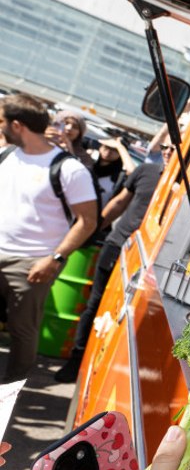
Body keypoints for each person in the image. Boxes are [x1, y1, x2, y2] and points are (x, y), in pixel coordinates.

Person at [0, 94, 98, 382]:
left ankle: (9, 392)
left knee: (22, 331)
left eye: (2, 121)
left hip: (32, 264)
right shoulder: (7, 156)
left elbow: (87, 221)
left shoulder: (69, 169)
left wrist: (55, 259)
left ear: (17, 125)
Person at [54, 142, 169, 383]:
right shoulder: (146, 172)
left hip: (151, 262)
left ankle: (105, 370)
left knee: (126, 316)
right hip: (117, 246)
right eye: (165, 147)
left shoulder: (188, 184)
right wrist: (92, 231)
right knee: (95, 303)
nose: (168, 151)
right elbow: (118, 203)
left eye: (172, 148)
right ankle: (76, 361)